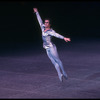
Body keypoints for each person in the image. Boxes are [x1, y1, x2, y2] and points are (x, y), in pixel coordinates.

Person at [33, 8, 71, 82]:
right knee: (54, 62)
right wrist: (37, 12)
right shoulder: (42, 27)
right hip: (46, 48)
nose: (45, 23)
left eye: (47, 23)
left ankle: (64, 72)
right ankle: (59, 74)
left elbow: (57, 35)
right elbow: (39, 20)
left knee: (57, 60)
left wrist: (64, 38)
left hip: (52, 47)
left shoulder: (51, 31)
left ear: (50, 24)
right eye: (45, 22)